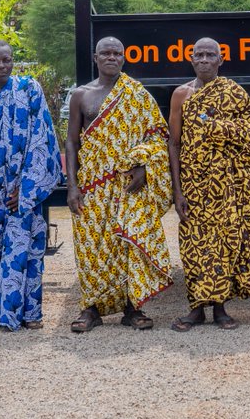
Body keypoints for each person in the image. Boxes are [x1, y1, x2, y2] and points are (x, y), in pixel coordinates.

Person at [66, 37, 173, 332]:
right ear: (95, 57)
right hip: (91, 184)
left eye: (117, 53)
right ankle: (91, 308)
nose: (111, 57)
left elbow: (158, 136)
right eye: (106, 53)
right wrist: (72, 186)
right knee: (91, 247)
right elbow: (72, 141)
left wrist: (142, 164)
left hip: (127, 184)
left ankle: (132, 307)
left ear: (124, 58)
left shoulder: (137, 94)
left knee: (126, 243)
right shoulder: (80, 95)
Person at [168, 38, 250, 332]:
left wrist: (217, 126)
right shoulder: (181, 95)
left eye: (209, 55)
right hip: (195, 184)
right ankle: (197, 309)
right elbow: (174, 143)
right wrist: (178, 191)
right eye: (198, 55)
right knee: (195, 244)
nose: (203, 60)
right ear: (191, 59)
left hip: (230, 185)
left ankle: (221, 308)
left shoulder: (234, 93)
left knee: (225, 243)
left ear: (220, 60)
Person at [0, 41, 62, 332]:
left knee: (26, 249)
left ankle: (31, 311)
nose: (2, 66)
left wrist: (28, 188)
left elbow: (43, 140)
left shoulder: (29, 90)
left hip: (24, 188)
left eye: (7, 60)